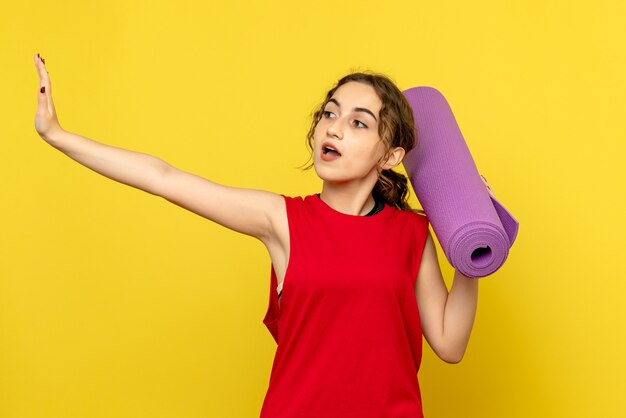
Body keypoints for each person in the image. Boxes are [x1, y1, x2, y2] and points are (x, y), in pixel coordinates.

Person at [34, 53, 492, 417]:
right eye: (329, 114)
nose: (333, 127)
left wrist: (469, 251)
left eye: (358, 122)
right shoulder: (281, 220)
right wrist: (58, 135)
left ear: (390, 156)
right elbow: (164, 178)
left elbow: (450, 345)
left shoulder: (411, 234)